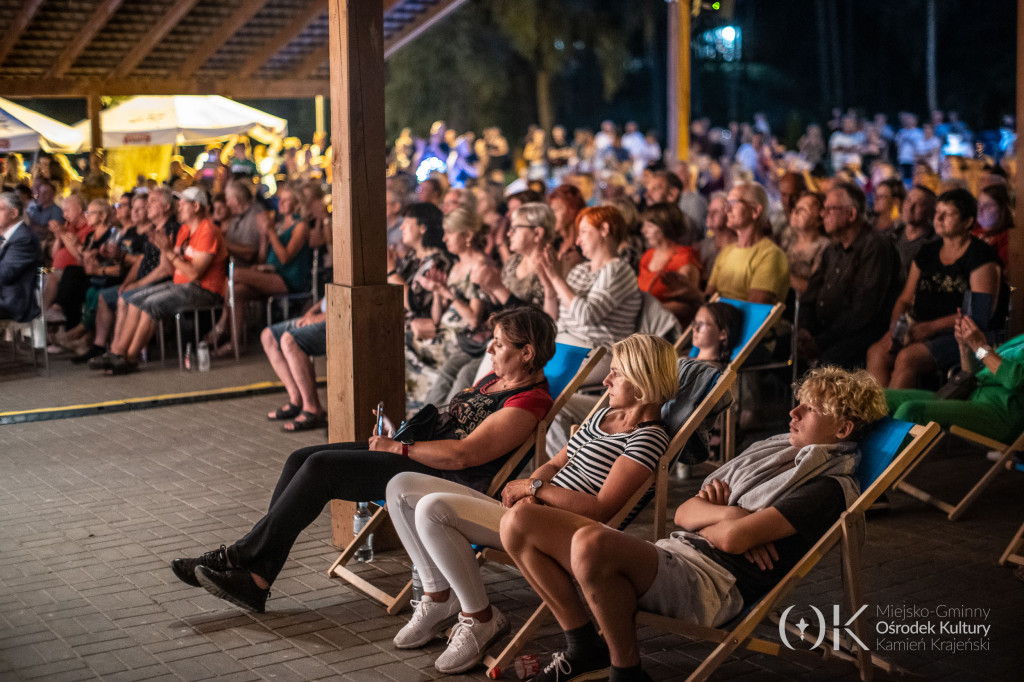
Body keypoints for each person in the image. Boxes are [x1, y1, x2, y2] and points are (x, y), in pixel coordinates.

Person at [499, 367, 888, 682]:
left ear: (843, 430)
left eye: (810, 409)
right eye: (798, 404)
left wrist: (728, 524)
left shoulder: (827, 487)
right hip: (679, 554)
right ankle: (583, 645)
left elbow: (734, 541)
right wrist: (732, 515)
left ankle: (626, 672)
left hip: (712, 585)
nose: (793, 413)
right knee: (519, 521)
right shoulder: (774, 454)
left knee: (591, 544)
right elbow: (686, 513)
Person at [170, 307, 557, 613]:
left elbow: (464, 454)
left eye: (500, 344)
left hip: (442, 476)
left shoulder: (528, 401)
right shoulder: (495, 380)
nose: (489, 349)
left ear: (527, 352)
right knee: (302, 456)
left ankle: (241, 559)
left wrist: (400, 450)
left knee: (321, 469)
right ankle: (256, 575)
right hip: (421, 453)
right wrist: (400, 439)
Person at [385, 334, 677, 674]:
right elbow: (554, 464)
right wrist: (530, 487)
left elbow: (600, 508)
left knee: (433, 509)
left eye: (617, 373)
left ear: (642, 383)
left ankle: (479, 617)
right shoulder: (603, 417)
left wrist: (534, 489)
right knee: (401, 485)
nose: (607, 380)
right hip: (530, 511)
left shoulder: (648, 437)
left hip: (560, 530)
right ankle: (438, 596)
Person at [867, 189, 1000, 388]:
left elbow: (978, 315)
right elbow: (905, 299)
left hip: (963, 336)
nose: (938, 218)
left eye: (948, 213)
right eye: (937, 212)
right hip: (919, 328)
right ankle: (874, 415)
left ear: (968, 222)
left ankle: (895, 416)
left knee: (907, 358)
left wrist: (930, 328)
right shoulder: (928, 252)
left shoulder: (980, 257)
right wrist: (895, 328)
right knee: (877, 352)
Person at [102, 187, 227, 375]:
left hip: (203, 290)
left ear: (195, 206)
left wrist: (169, 252)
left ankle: (130, 358)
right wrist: (167, 251)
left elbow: (194, 273)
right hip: (180, 285)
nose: (179, 206)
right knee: (135, 299)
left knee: (151, 304)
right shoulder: (185, 230)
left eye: (183, 203)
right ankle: (118, 354)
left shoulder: (208, 231)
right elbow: (173, 261)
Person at [798, 184, 901, 369]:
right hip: (827, 330)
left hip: (862, 333)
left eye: (830, 209)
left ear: (851, 214)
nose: (823, 215)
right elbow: (810, 294)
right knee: (781, 350)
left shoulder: (875, 246)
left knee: (829, 364)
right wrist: (804, 329)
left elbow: (863, 310)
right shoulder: (832, 249)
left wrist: (821, 341)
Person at [886, 313, 1024, 446]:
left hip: (999, 414)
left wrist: (980, 348)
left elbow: (1014, 378)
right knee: (880, 397)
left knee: (911, 412)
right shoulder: (1020, 340)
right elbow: (971, 374)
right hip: (968, 397)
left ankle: (885, 468)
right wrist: (965, 347)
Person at [211, 183, 313, 355]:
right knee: (237, 290)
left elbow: (285, 257)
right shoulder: (279, 224)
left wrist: (271, 232)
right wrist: (265, 237)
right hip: (273, 275)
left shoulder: (300, 226)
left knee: (234, 274)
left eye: (287, 200)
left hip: (290, 280)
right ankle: (234, 344)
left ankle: (221, 325)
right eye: (281, 199)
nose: (281, 203)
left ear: (297, 204)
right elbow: (263, 258)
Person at [705, 182, 789, 305]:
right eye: (727, 204)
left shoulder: (771, 255)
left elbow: (753, 310)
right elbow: (709, 298)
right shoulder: (726, 252)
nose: (727, 210)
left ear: (755, 211)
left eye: (733, 203)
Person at [263, 298, 328, 431]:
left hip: (339, 317)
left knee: (289, 341)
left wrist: (317, 318)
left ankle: (313, 409)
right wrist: (311, 313)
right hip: (323, 313)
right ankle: (296, 400)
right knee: (268, 336)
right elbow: (328, 296)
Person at [637, 202, 702, 327]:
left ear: (665, 227)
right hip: (646, 325)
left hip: (671, 328)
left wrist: (648, 310)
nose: (643, 231)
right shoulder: (648, 255)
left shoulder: (684, 258)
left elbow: (687, 305)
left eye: (649, 226)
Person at [0, 192, 43, 323]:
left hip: (11, 301)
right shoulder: (7, 236)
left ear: (13, 213)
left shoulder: (24, 238)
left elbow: (4, 273)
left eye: (0, 209)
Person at [783, 191, 828, 294]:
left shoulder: (824, 247)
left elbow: (815, 288)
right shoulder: (788, 238)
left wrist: (782, 276)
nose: (795, 213)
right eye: (795, 208)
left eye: (802, 210)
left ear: (819, 219)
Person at [973, 184, 1012, 268]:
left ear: (1002, 209)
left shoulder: (1009, 239)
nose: (980, 209)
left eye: (987, 205)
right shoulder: (970, 231)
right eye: (979, 204)